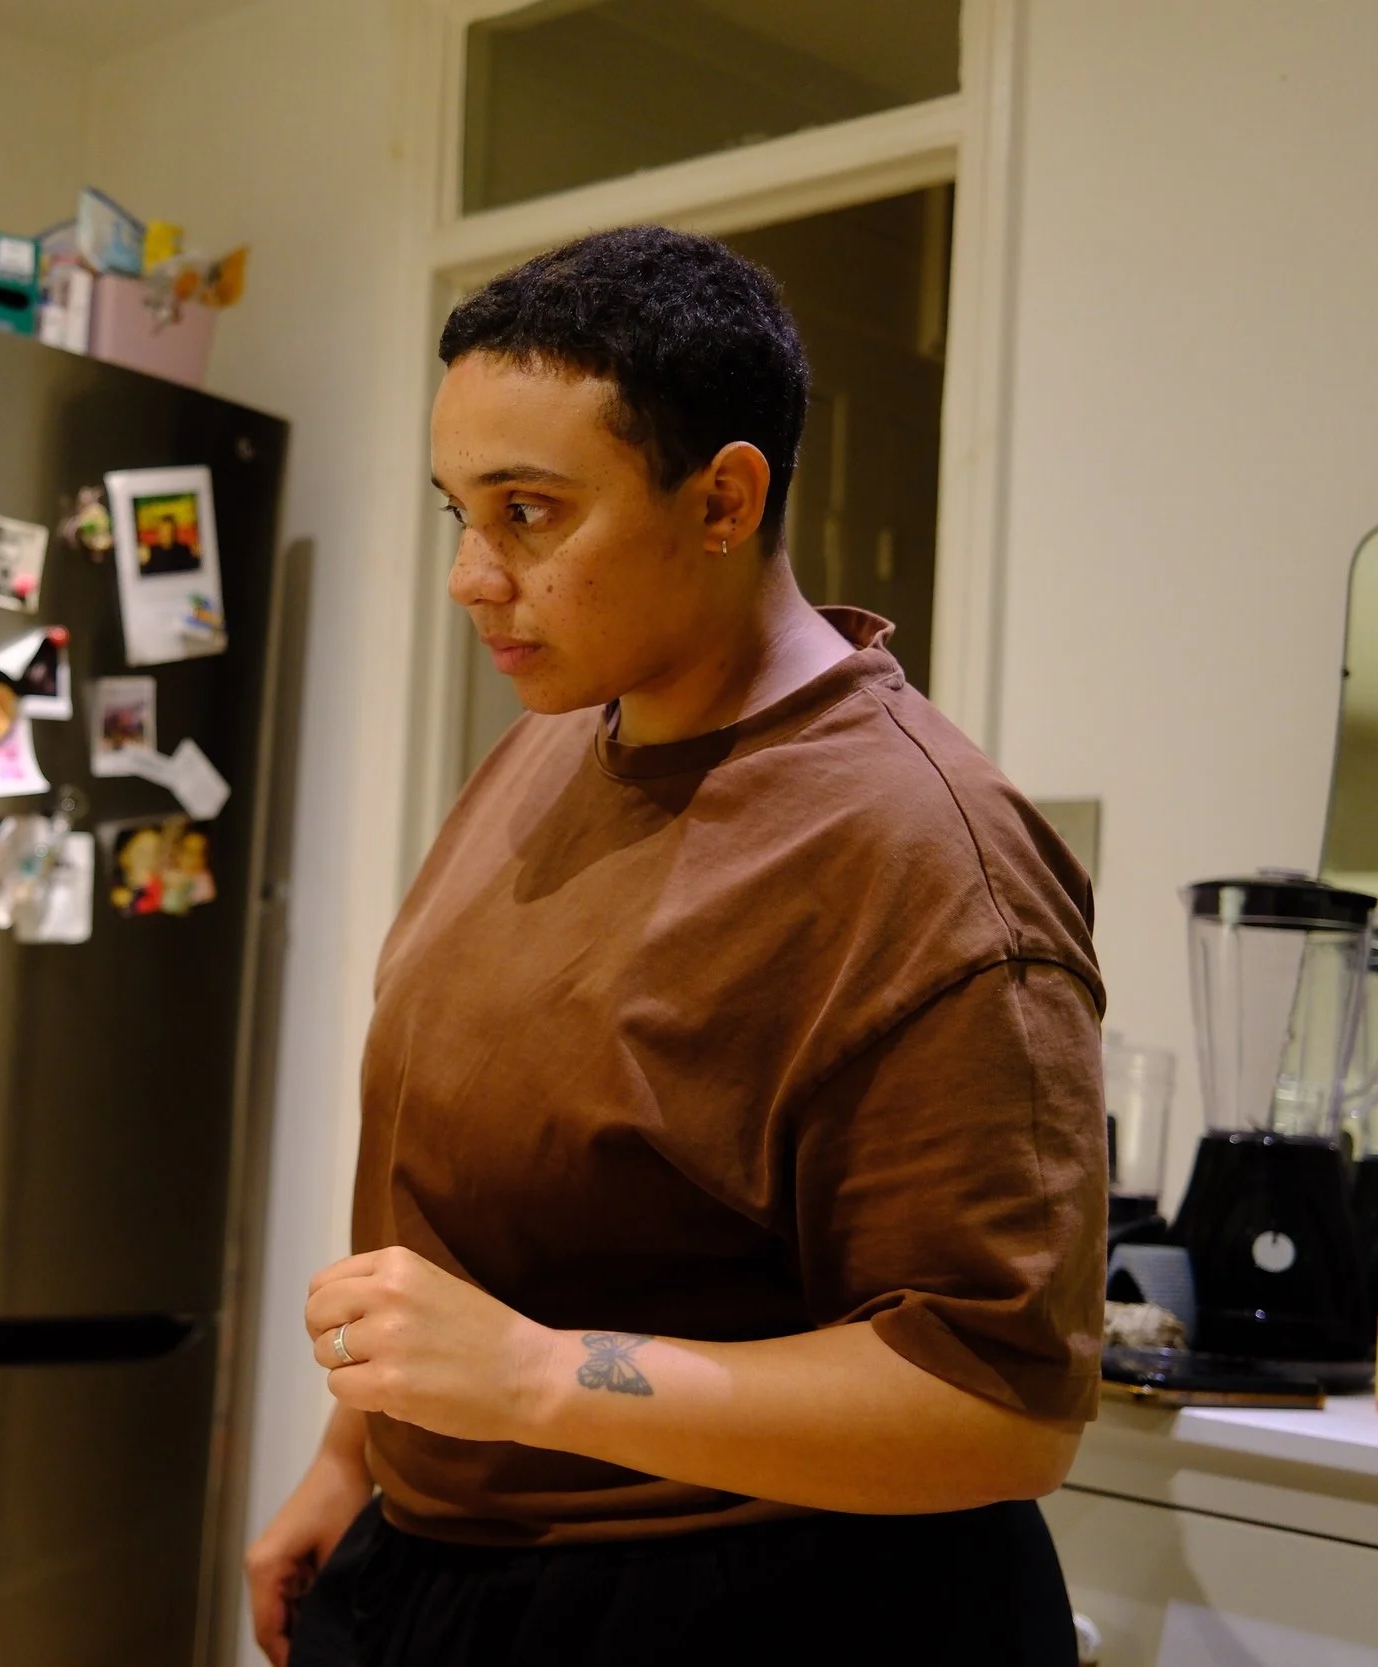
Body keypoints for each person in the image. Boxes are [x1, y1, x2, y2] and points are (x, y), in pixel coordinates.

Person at [244, 228, 1106, 1666]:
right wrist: (358, 1459)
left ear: (723, 498)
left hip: (757, 1603)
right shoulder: (564, 738)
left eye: (530, 512)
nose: (471, 575)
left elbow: (1000, 1409)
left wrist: (531, 1379)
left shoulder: (923, 857)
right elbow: (473, 1204)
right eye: (459, 507)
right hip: (452, 1564)